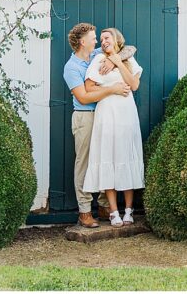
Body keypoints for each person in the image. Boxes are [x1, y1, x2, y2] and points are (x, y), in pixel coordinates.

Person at [63, 22, 135, 229]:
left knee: (106, 157)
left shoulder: (95, 54)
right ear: (82, 42)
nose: (97, 41)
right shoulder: (72, 67)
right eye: (94, 38)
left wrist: (115, 61)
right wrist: (112, 89)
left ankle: (104, 206)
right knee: (84, 164)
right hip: (85, 117)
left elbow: (129, 49)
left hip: (106, 115)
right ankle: (85, 211)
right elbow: (84, 98)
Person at [82, 27, 145, 227]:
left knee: (126, 156)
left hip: (127, 114)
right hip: (107, 114)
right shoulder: (98, 60)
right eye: (101, 39)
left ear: (116, 39)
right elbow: (89, 87)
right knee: (108, 157)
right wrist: (111, 90)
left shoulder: (128, 59)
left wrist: (118, 62)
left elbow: (134, 85)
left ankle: (128, 210)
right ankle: (113, 211)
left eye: (107, 37)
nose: (103, 41)